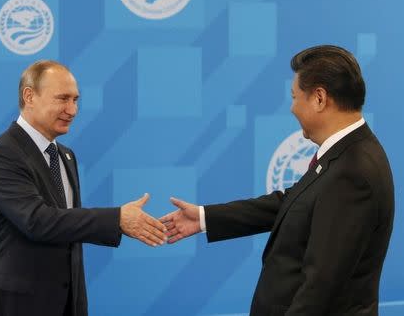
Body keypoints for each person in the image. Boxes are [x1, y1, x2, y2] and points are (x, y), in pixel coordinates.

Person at [161, 45, 394, 316]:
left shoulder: (352, 171)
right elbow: (293, 203)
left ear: (319, 98)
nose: (292, 107)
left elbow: (320, 288)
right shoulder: (346, 153)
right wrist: (203, 218)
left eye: (295, 97)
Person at [0, 60, 167, 316]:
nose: (72, 110)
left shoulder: (65, 156)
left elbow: (68, 232)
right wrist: (117, 219)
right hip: (11, 306)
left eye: (75, 99)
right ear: (29, 96)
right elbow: (37, 221)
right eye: (63, 99)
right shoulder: (2, 154)